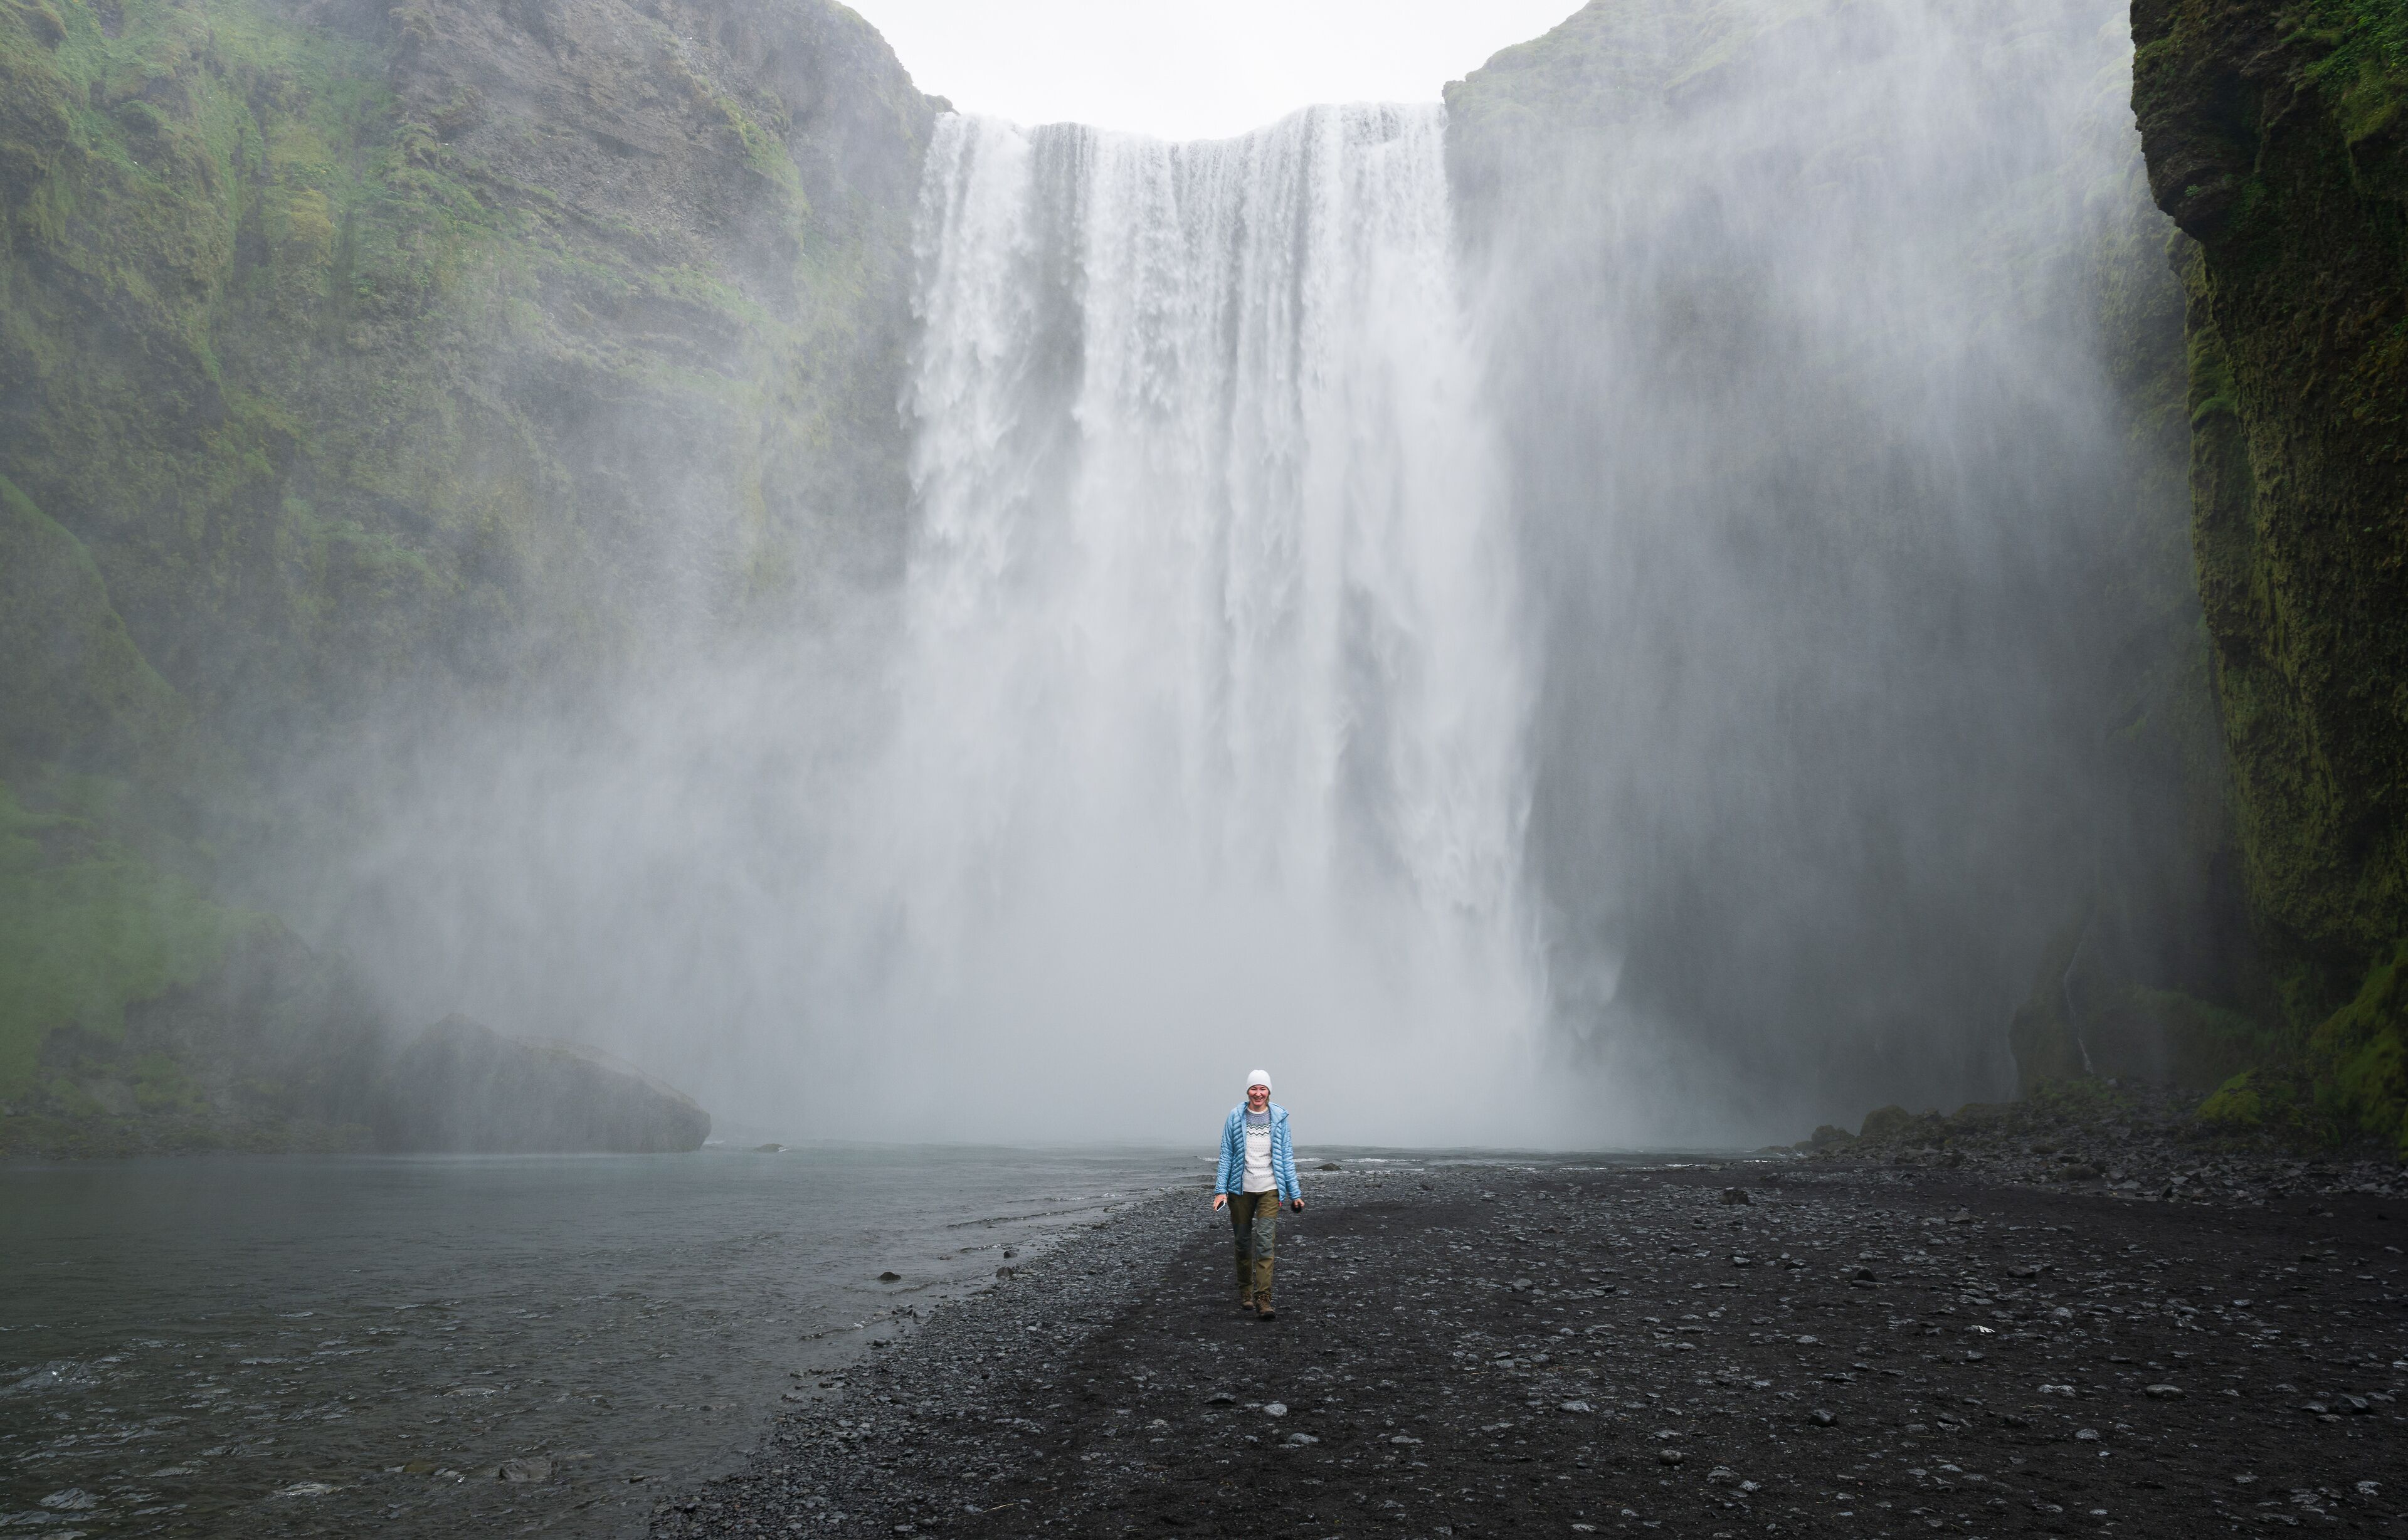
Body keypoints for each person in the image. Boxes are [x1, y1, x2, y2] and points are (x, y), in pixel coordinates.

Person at [1213, 1069, 1302, 1320]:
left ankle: (1264, 1299)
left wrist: (1295, 1193)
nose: (1258, 1093)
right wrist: (1221, 1191)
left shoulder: (1280, 1118)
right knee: (1242, 1243)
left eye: (1263, 1089)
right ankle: (1246, 1292)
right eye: (1254, 1088)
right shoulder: (1235, 1116)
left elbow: (1286, 1158)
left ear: (1269, 1091)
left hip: (1270, 1190)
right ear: (1248, 1091)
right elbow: (1227, 1155)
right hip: (1240, 1191)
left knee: (1265, 1242)